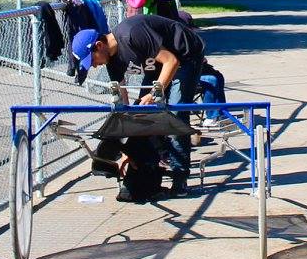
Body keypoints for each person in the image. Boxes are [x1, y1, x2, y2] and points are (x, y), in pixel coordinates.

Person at [71, 13, 206, 200]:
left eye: (92, 60)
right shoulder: (113, 61)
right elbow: (125, 109)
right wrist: (128, 150)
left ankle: (179, 178)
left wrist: (155, 93)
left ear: (99, 46)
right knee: (140, 113)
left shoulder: (132, 35)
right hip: (158, 64)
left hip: (185, 56)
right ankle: (154, 162)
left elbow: (172, 61)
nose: (94, 66)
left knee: (175, 114)